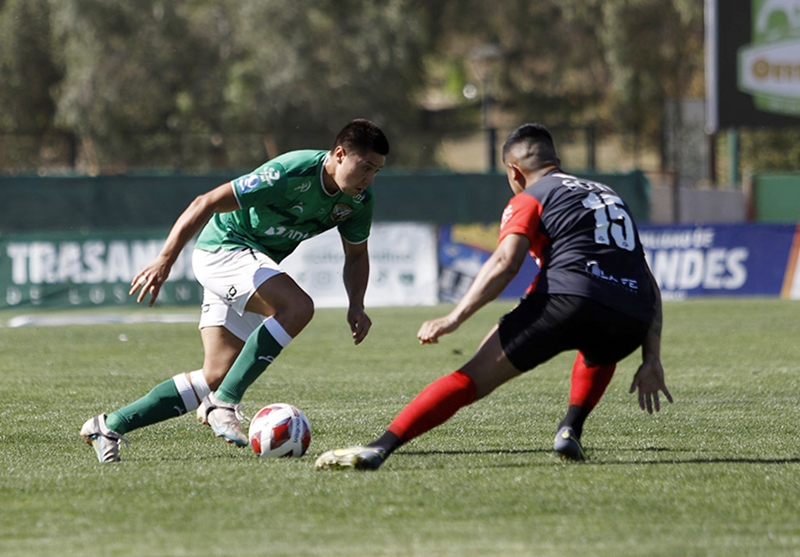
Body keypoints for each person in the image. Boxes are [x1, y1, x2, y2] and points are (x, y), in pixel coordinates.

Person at [315, 123, 671, 471]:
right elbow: (647, 280)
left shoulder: (533, 196)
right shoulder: (609, 195)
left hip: (567, 301)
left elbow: (505, 261)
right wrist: (651, 355)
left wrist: (454, 318)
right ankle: (570, 429)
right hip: (633, 317)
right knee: (599, 343)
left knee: (469, 379)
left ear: (514, 171)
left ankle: (379, 447)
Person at [80, 119, 390, 462]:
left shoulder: (359, 200)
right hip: (224, 249)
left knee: (216, 374)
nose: (369, 179)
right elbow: (206, 201)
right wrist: (164, 260)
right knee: (297, 308)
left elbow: (357, 255)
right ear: (340, 154)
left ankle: (107, 425)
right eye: (365, 167)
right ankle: (223, 404)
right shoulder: (290, 172)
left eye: (376, 171)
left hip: (250, 264)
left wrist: (356, 305)